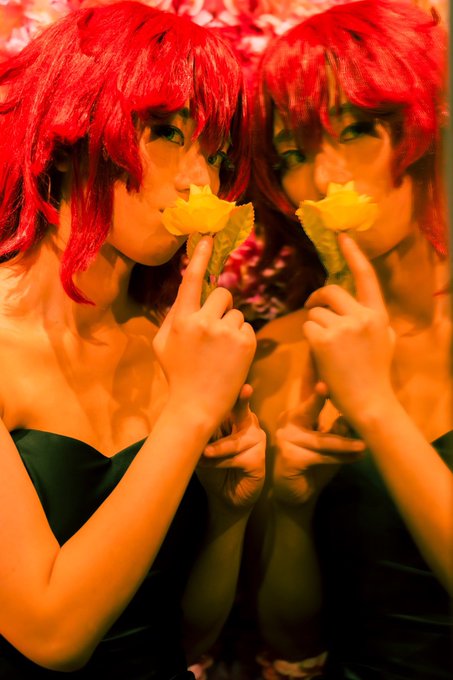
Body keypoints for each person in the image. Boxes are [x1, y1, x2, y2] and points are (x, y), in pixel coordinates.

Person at [0, 2, 266, 677]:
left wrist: (228, 513)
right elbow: (50, 634)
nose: (200, 180)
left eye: (215, 153)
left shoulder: (175, 345)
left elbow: (190, 637)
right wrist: (188, 413)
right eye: (167, 134)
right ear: (70, 132)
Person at [248, 1, 452, 678]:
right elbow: (291, 641)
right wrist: (292, 511)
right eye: (294, 154)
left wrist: (376, 410)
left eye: (358, 129)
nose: (324, 178)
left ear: (429, 127)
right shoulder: (283, 354)